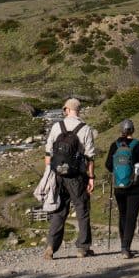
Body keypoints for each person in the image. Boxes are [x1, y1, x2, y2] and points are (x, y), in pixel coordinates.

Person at [43, 97, 97, 260]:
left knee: (59, 210)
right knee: (82, 210)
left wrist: (49, 173)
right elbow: (90, 156)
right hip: (77, 176)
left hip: (58, 175)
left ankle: (51, 247)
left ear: (67, 110)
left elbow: (48, 153)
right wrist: (91, 178)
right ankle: (82, 248)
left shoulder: (56, 127)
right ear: (78, 110)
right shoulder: (85, 129)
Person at [105, 118, 139, 258]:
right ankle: (126, 248)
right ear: (133, 130)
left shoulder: (114, 145)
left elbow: (108, 165)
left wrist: (119, 172)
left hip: (119, 187)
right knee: (131, 217)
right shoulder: (138, 145)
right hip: (135, 187)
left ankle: (122, 245)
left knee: (123, 215)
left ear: (121, 130)